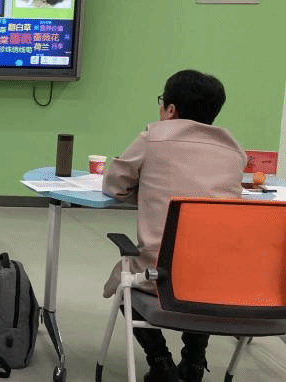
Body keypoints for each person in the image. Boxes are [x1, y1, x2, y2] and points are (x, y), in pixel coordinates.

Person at [102, 69, 246, 382]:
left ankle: (161, 363)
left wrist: (147, 193)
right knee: (202, 272)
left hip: (162, 276)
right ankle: (194, 361)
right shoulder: (235, 150)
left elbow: (114, 185)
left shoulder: (153, 137)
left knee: (125, 282)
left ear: (170, 109)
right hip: (220, 281)